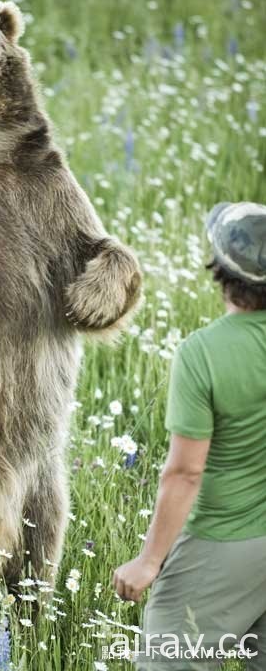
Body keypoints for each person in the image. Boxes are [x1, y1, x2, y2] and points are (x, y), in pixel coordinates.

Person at [113, 202, 266, 670]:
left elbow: (184, 472)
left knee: (168, 660)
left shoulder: (203, 354)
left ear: (220, 270)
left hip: (226, 540)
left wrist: (149, 562)